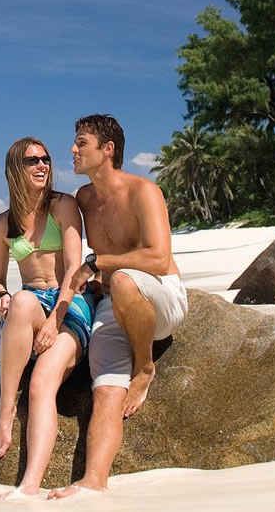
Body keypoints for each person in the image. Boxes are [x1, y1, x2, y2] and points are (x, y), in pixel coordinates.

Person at [51, 114, 187, 499]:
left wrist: (97, 264)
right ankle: (94, 480)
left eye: (81, 143)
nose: (72, 150)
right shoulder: (84, 198)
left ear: (107, 150)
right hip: (115, 300)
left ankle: (145, 366)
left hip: (160, 296)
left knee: (124, 281)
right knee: (106, 389)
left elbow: (160, 259)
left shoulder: (144, 191)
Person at [0, 136, 94, 500]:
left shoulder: (64, 204)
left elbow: (75, 269)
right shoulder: (2, 223)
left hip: (69, 300)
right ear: (16, 168)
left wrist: (56, 319)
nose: (42, 165)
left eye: (45, 159)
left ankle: (29, 485)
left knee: (40, 385)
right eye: (32, 161)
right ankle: (4, 413)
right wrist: (0, 295)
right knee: (20, 299)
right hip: (30, 306)